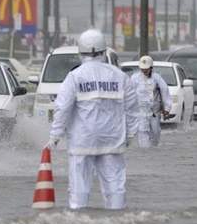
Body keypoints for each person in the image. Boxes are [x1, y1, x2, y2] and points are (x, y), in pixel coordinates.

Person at [44, 28, 139, 210]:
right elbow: (133, 108)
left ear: (80, 52)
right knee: (115, 188)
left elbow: (62, 108)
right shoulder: (119, 76)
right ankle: (117, 223)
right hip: (112, 140)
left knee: (79, 190)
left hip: (82, 142)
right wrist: (130, 134)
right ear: (104, 52)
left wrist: (55, 136)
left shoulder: (74, 77)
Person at [130, 55, 172, 148]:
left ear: (151, 67)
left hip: (154, 113)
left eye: (146, 68)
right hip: (141, 113)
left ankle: (153, 151)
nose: (144, 70)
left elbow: (165, 91)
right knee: (143, 132)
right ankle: (145, 152)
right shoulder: (135, 78)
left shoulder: (157, 78)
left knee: (155, 133)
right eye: (142, 68)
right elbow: (129, 94)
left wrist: (167, 108)